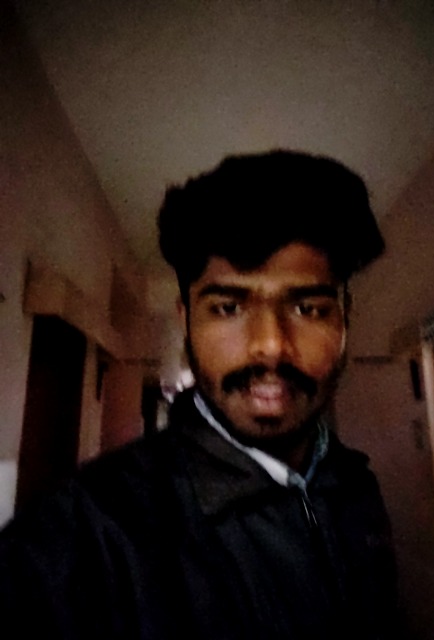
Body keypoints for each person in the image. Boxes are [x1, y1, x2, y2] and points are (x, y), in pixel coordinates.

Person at [0, 150, 398, 639]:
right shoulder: (76, 541)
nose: (271, 346)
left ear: (345, 318)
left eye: (308, 309)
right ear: (186, 320)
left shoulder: (355, 485)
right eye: (228, 308)